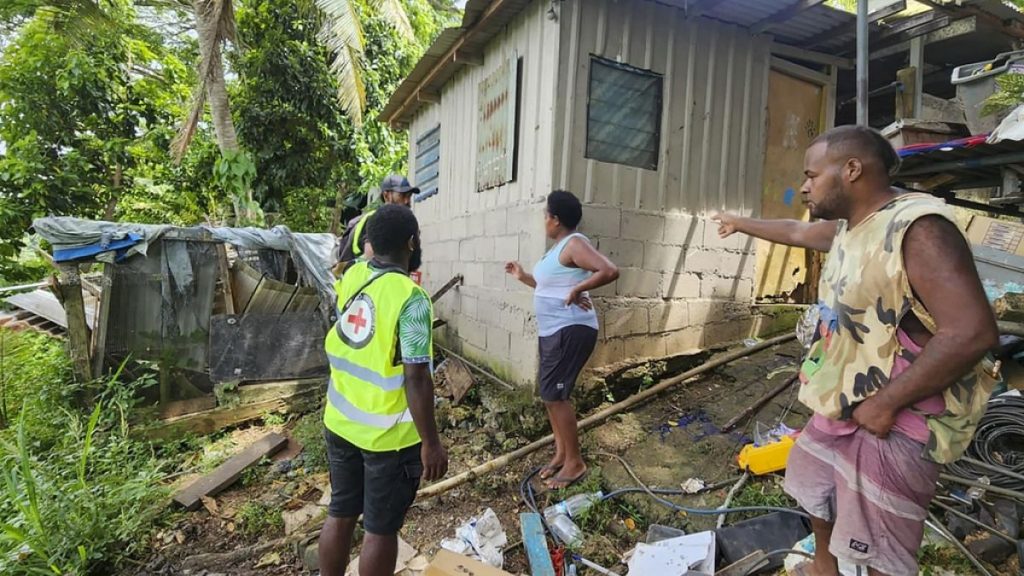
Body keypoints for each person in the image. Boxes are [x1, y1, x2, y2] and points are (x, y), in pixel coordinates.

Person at [712, 125, 999, 576]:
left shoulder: (918, 229)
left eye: (811, 175)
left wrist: (886, 404)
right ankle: (824, 568)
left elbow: (972, 332)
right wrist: (738, 222)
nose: (804, 186)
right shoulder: (853, 226)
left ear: (851, 169)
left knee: (880, 543)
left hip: (900, 417)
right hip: (846, 402)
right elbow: (795, 230)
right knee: (815, 487)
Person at [319, 204, 447, 576]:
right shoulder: (411, 299)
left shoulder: (353, 276)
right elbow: (417, 377)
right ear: (412, 243)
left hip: (340, 422)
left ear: (371, 243)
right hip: (388, 439)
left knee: (341, 511)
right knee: (380, 528)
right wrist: (431, 443)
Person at [505, 190, 619, 489]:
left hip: (570, 329)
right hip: (553, 331)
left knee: (556, 396)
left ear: (555, 219)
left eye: (546, 215)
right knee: (549, 395)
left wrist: (579, 289)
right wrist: (523, 277)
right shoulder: (557, 250)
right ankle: (561, 453)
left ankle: (575, 462)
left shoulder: (574, 243)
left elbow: (609, 270)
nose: (544, 220)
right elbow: (548, 287)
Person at [336, 174, 420, 270]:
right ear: (386, 196)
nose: (407, 201)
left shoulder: (399, 225)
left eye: (409, 196)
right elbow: (372, 259)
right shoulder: (377, 220)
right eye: (402, 195)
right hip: (359, 276)